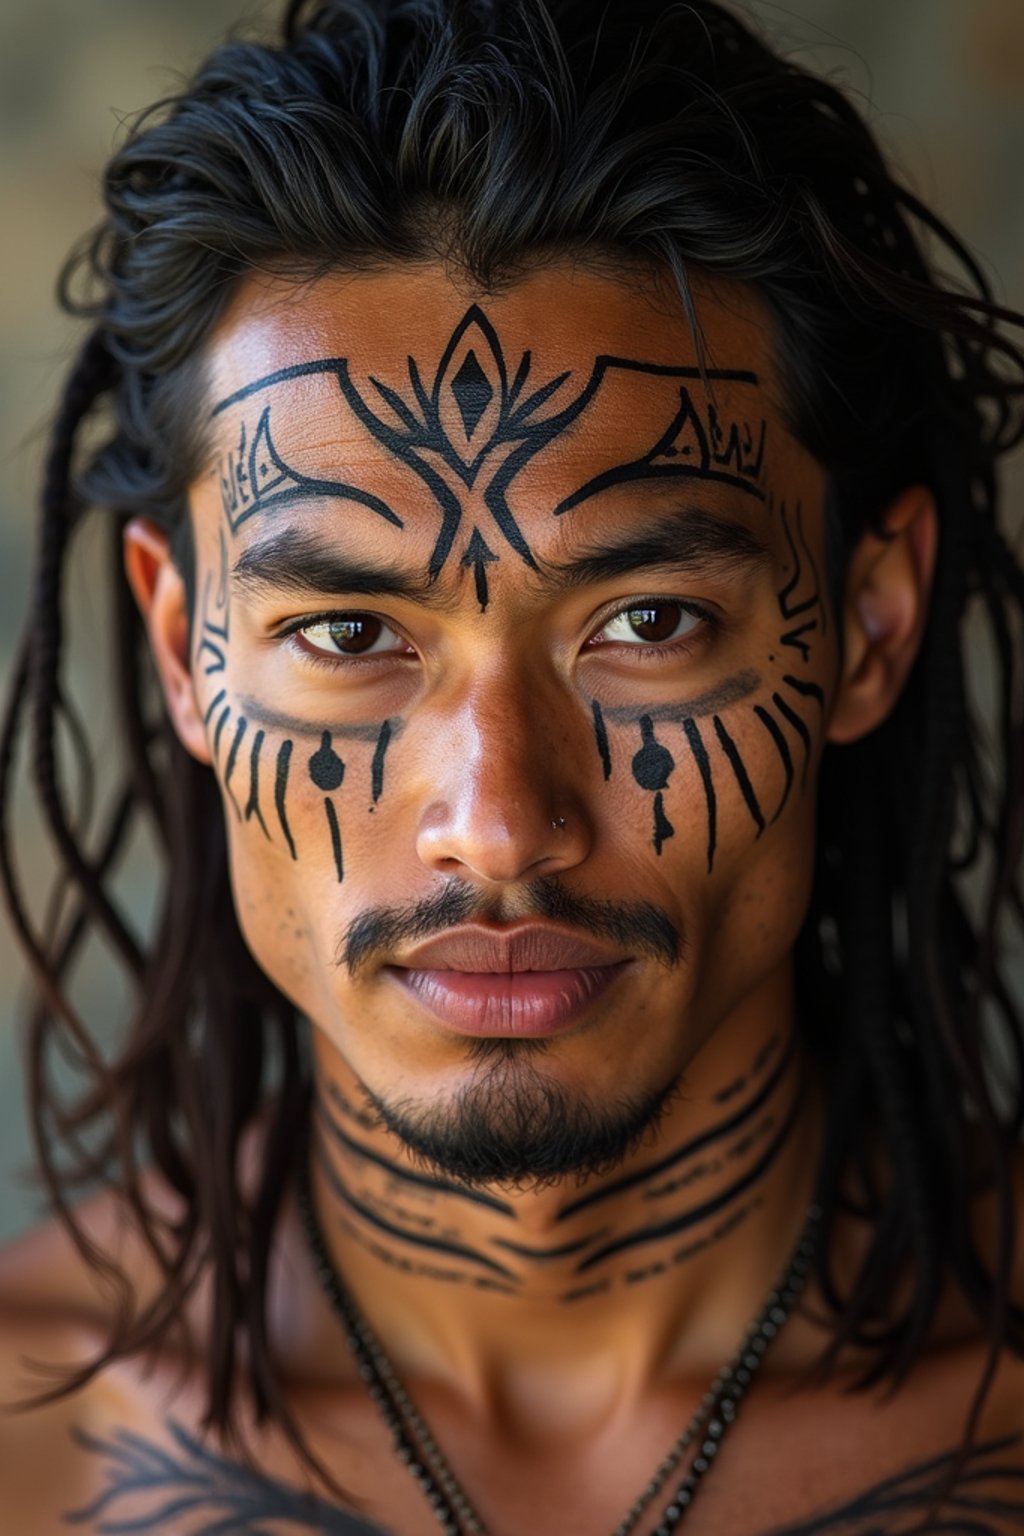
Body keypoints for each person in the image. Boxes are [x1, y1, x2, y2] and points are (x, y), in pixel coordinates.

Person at [0, 0, 1022, 1530]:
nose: (498, 826)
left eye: (649, 620)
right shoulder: (32, 1440)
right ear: (182, 645)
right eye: (349, 634)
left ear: (868, 629)